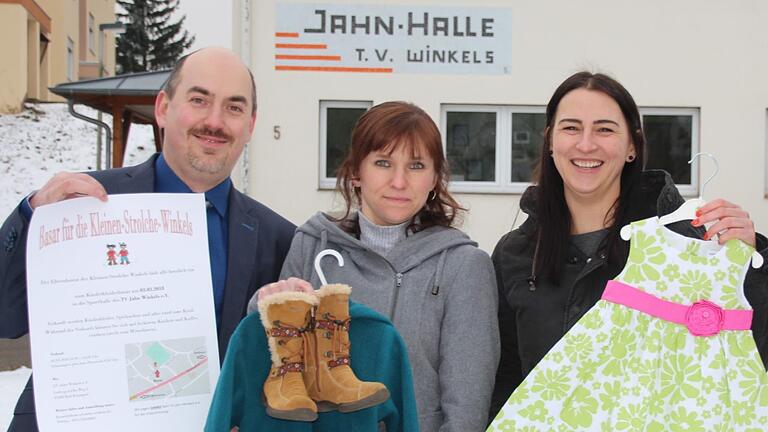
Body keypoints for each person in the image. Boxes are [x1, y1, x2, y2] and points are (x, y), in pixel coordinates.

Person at [0, 47, 296, 431]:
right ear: (162, 108)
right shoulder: (80, 205)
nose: (215, 121)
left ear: (251, 125)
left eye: (234, 108)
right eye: (198, 100)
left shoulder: (278, 239)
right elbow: (6, 320)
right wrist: (32, 216)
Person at [489, 71, 768, 418]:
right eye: (571, 127)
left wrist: (752, 264)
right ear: (550, 140)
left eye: (605, 129)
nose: (586, 144)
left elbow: (745, 360)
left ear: (632, 146)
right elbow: (505, 378)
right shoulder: (515, 254)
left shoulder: (685, 243)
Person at [255, 101, 500, 432]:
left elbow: (466, 406)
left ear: (434, 179)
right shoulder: (313, 245)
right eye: (383, 163)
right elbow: (277, 362)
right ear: (356, 172)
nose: (399, 182)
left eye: (416, 166)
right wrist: (261, 304)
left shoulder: (464, 266)